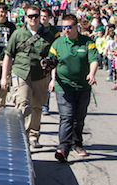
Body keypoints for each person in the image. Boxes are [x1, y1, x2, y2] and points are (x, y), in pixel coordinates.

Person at [2, 5, 55, 148]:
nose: (33, 19)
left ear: (40, 17)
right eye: (30, 16)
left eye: (36, 16)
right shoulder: (18, 34)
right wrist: (4, 77)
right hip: (21, 73)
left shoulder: (49, 35)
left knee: (37, 106)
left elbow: (54, 58)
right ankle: (22, 136)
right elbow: (8, 55)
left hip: (40, 75)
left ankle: (34, 136)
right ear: (25, 18)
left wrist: (52, 75)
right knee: (24, 104)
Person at [48, 14, 98, 162]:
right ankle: (63, 148)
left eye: (69, 27)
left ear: (77, 27)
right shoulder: (57, 43)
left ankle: (77, 144)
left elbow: (93, 59)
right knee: (67, 117)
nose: (66, 30)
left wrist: (92, 74)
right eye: (64, 27)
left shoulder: (87, 42)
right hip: (63, 86)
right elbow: (52, 62)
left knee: (79, 118)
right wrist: (52, 79)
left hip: (83, 86)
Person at [40, 7, 60, 115]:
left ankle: (45, 106)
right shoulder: (36, 28)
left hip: (49, 58)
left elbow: (57, 44)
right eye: (41, 16)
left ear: (49, 18)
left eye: (45, 16)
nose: (42, 18)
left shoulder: (54, 31)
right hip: (38, 59)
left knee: (47, 83)